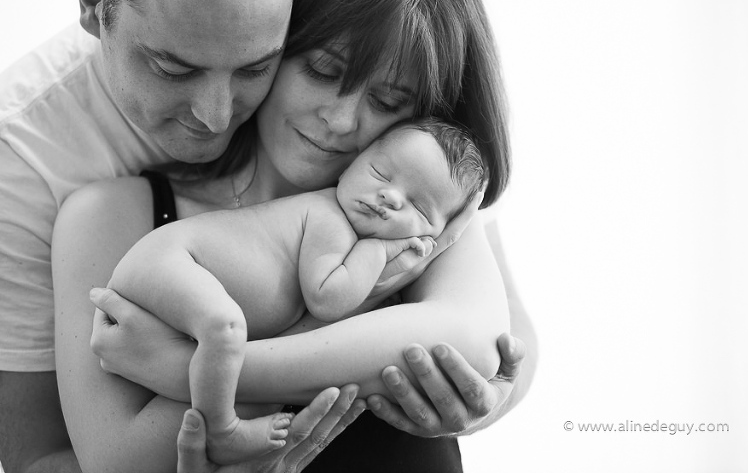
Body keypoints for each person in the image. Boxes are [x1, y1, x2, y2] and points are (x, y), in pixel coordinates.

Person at [52, 0, 536, 472]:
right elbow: (116, 461)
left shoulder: (411, 217)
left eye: (388, 101)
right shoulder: (110, 216)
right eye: (323, 71)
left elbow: (472, 348)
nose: (341, 119)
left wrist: (189, 371)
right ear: (271, 43)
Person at [0, 0, 369, 472]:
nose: (217, 116)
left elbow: (507, 351)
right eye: (174, 70)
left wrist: (486, 388)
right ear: (91, 1)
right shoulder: (18, 163)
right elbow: (35, 458)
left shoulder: (319, 6)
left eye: (256, 68)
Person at [106, 119, 486, 464]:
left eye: (418, 206)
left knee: (222, 329)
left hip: (165, 266)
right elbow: (328, 300)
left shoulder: (349, 231)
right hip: (170, 260)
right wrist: (380, 251)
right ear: (353, 163)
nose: (390, 196)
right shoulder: (328, 217)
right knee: (224, 328)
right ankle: (222, 430)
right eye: (380, 172)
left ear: (435, 236)